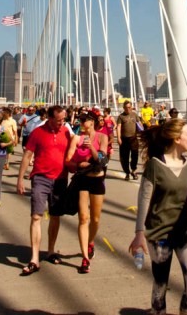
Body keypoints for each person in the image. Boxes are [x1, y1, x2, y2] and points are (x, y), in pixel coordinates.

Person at [129, 119, 187, 315]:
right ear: (176, 138)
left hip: (185, 231)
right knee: (161, 283)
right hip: (159, 234)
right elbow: (144, 199)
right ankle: (157, 311)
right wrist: (139, 234)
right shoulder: (155, 165)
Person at [16, 105, 77, 275]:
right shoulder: (37, 133)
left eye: (63, 120)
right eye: (58, 120)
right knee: (36, 216)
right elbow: (27, 156)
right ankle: (34, 258)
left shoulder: (66, 131)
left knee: (55, 216)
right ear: (49, 118)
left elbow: (74, 150)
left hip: (60, 180)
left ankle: (50, 251)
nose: (61, 123)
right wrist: (20, 179)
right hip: (41, 178)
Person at [65, 113, 109, 273]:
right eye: (80, 120)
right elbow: (68, 160)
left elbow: (102, 160)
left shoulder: (102, 137)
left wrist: (91, 146)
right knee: (84, 218)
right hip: (82, 179)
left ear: (92, 122)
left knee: (95, 219)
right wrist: (77, 165)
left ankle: (90, 242)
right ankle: (85, 258)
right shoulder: (76, 138)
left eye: (84, 120)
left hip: (97, 179)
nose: (82, 123)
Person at [117, 101, 140, 180]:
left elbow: (139, 124)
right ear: (123, 108)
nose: (128, 109)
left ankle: (133, 170)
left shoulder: (134, 115)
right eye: (126, 108)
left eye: (129, 107)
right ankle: (127, 172)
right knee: (124, 157)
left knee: (135, 155)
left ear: (131, 107)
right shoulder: (121, 116)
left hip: (133, 138)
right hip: (124, 139)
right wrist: (119, 138)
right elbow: (119, 127)